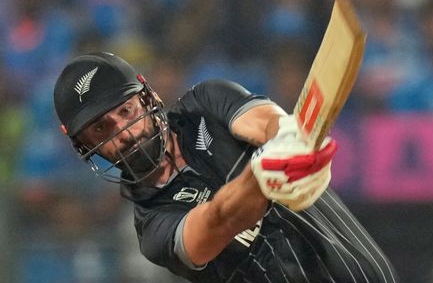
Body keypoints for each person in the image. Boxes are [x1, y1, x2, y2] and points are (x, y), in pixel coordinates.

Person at [52, 52, 398, 282]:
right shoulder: (153, 228)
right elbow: (220, 219)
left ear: (149, 98)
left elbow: (265, 121)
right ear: (86, 146)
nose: (123, 133)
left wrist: (290, 137)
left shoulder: (205, 103)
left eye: (125, 112)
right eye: (102, 129)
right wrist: (265, 174)